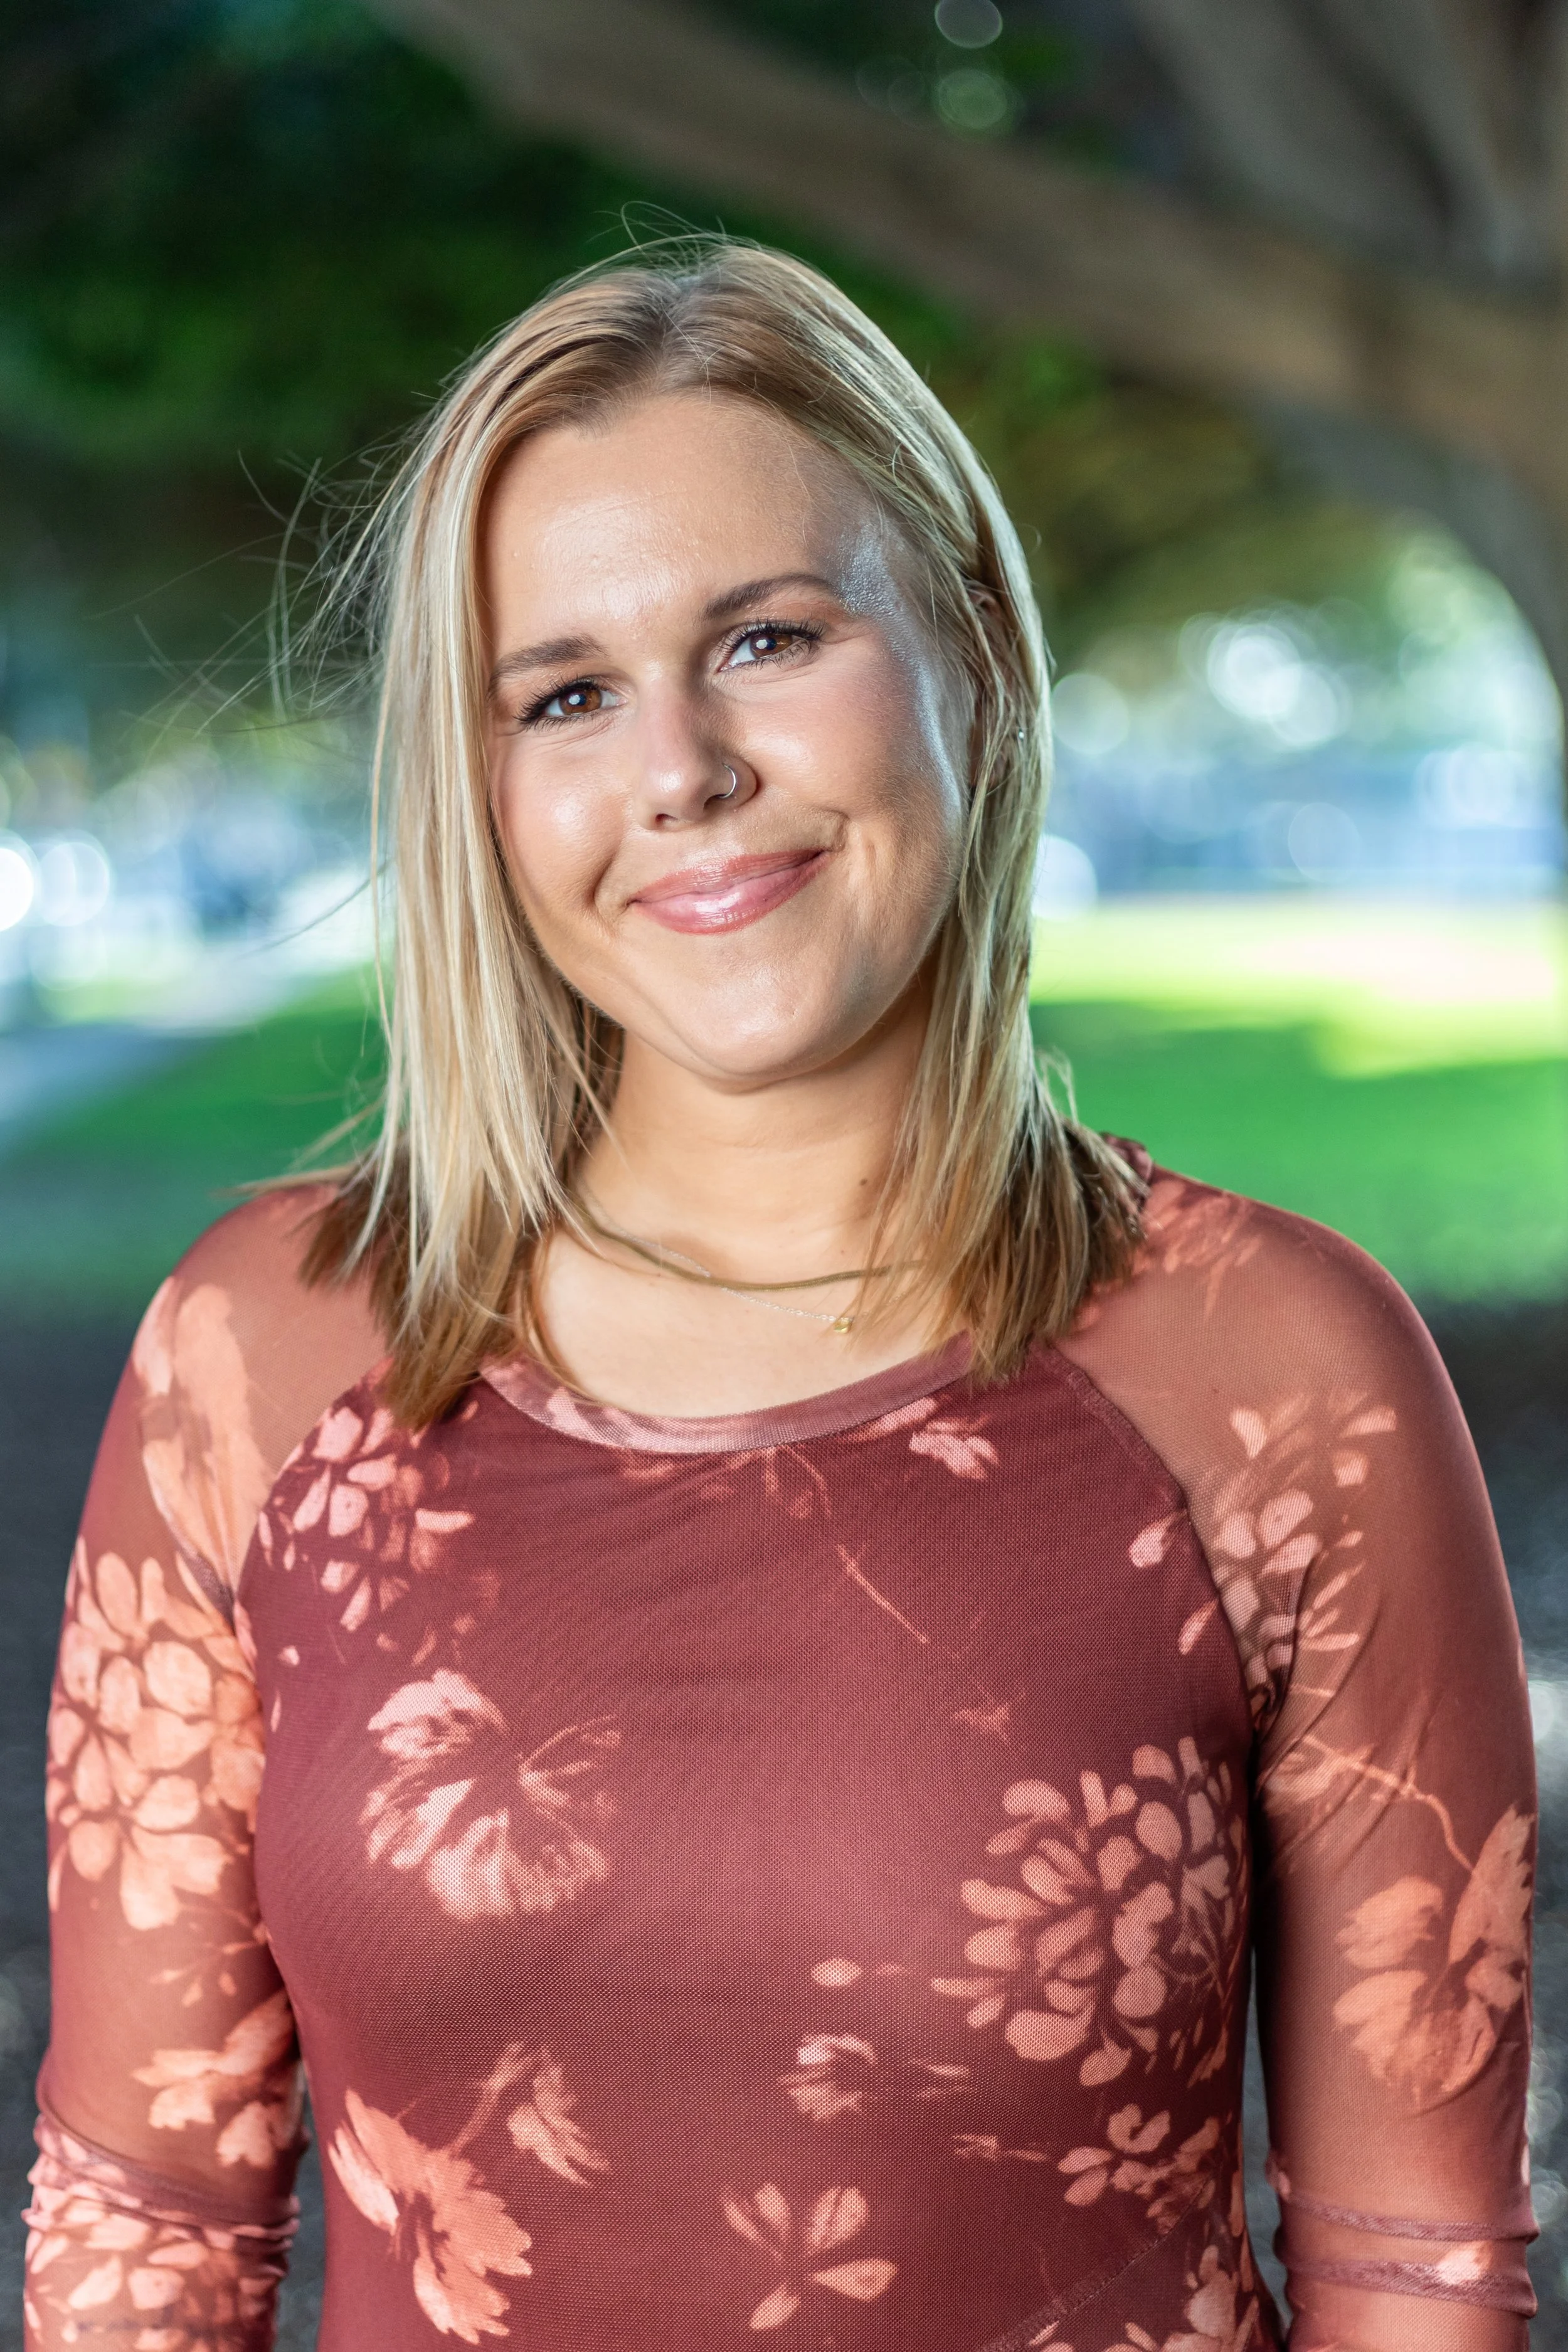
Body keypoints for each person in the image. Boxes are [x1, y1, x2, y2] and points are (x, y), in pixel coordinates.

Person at [24, 243, 1535, 2352]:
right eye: (562, 694)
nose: (682, 768)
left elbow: (1414, 2266)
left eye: (766, 637)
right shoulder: (265, 1351)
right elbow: (148, 2212)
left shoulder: (1277, 1366)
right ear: (478, 789)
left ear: (970, 649)